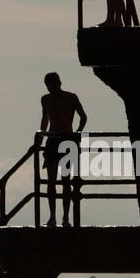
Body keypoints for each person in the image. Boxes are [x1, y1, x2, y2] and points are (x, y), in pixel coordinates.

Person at [40, 72, 88, 227]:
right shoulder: (45, 99)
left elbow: (83, 117)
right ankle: (52, 217)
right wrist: (39, 141)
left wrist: (78, 133)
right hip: (52, 141)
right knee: (51, 181)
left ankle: (66, 218)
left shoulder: (71, 97)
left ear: (59, 83)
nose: (51, 88)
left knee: (66, 182)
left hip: (67, 139)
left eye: (53, 84)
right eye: (49, 85)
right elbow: (45, 120)